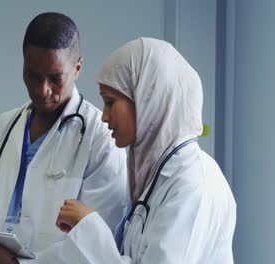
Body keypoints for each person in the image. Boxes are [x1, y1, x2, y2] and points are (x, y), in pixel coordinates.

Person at [0, 12, 128, 263]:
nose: (42, 89)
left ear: (78, 68)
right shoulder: (5, 126)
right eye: (33, 75)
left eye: (55, 78)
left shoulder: (101, 137)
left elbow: (97, 243)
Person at [55, 37, 237, 263]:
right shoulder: (154, 177)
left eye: (110, 102)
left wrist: (91, 227)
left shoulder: (193, 183)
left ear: (147, 99)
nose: (104, 116)